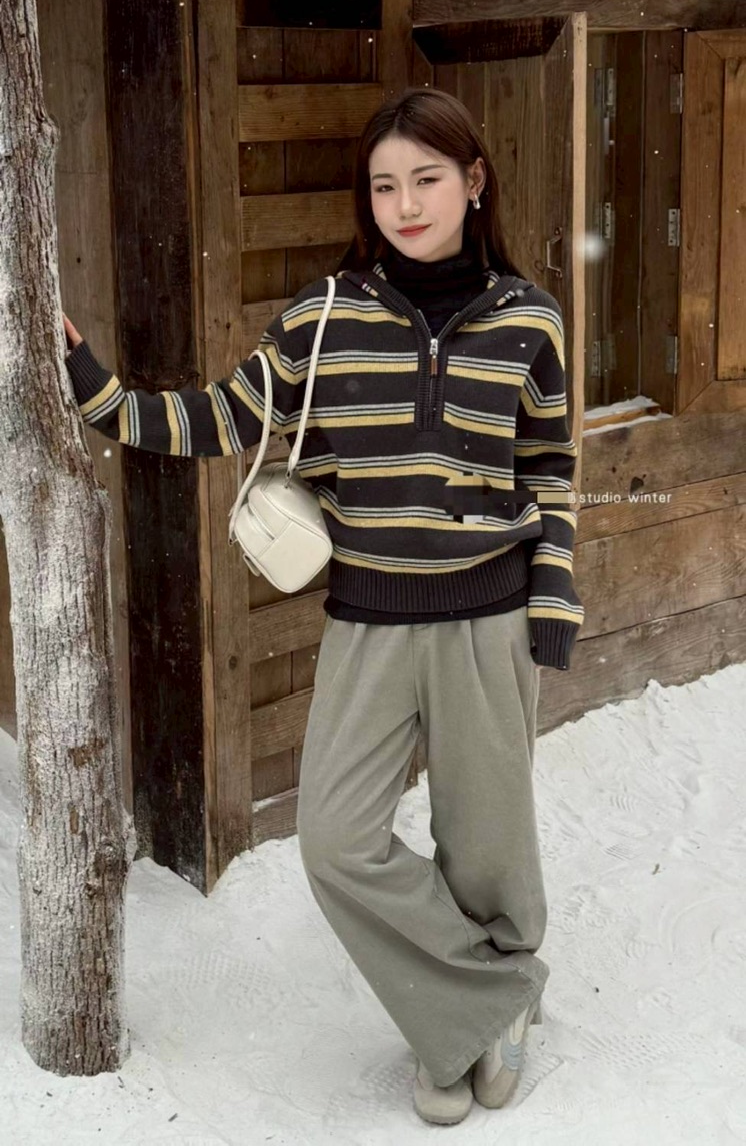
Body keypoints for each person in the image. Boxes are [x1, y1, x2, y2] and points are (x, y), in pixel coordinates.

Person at [62, 86, 584, 1127]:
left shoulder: (530, 319)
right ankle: (482, 1003)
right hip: (370, 621)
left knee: (487, 839)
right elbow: (223, 416)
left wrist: (553, 599)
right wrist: (97, 391)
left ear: (473, 182)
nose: (405, 204)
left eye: (426, 179)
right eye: (384, 185)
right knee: (336, 838)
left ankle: (480, 1001)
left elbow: (550, 468)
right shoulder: (325, 316)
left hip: (486, 614)